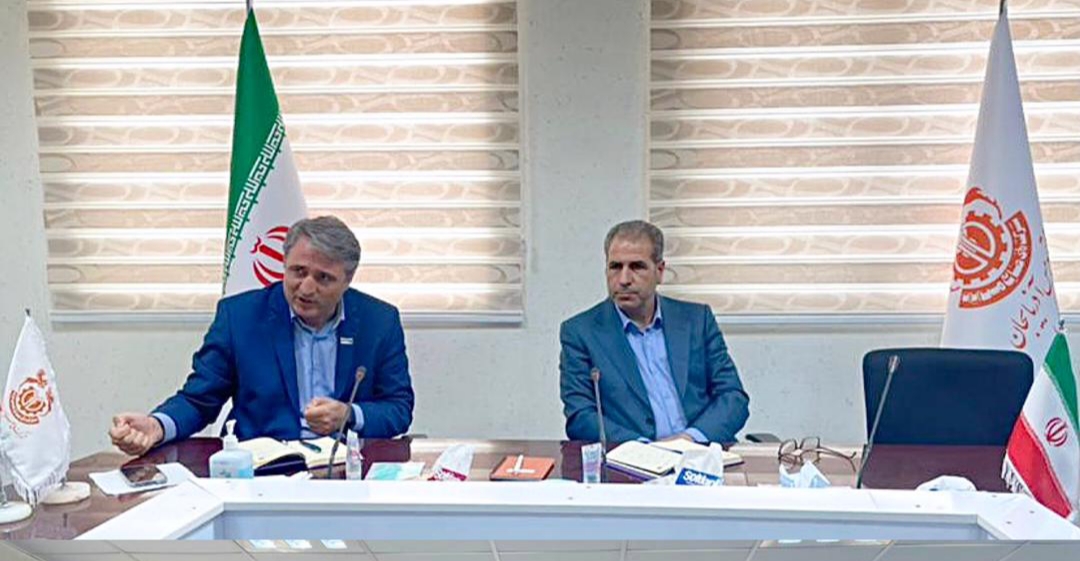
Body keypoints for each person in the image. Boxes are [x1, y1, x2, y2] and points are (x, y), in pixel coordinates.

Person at [109, 216, 414, 455]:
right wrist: (156, 426)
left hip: (346, 467)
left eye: (324, 278)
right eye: (298, 271)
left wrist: (349, 414)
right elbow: (199, 399)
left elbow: (398, 408)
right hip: (263, 470)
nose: (307, 287)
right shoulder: (240, 317)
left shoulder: (379, 322)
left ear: (347, 280)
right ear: (284, 265)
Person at [559, 220, 749, 443]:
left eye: (637, 267)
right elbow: (581, 417)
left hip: (699, 451)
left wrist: (689, 439)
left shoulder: (697, 320)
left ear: (659, 271)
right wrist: (646, 450)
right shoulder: (581, 332)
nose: (624, 280)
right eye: (615, 267)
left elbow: (733, 397)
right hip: (631, 456)